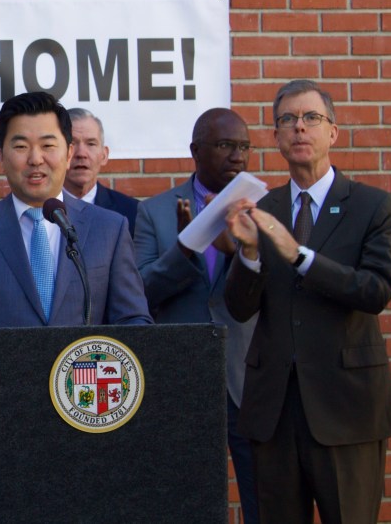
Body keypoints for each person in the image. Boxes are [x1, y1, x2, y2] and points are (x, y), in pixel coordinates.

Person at [223, 80, 391, 524]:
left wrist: (299, 255)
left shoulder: (372, 206)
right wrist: (249, 253)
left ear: (333, 132)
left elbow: (375, 291)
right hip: (275, 410)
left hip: (346, 409)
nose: (299, 127)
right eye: (287, 120)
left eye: (311, 118)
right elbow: (239, 309)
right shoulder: (262, 208)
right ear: (276, 136)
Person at [0, 91, 153, 412]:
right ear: (1, 156)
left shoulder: (109, 228)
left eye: (48, 145)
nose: (35, 159)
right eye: (20, 146)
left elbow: (133, 320)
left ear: (68, 153)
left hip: (87, 407)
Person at [134, 107, 260, 524]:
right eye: (225, 145)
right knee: (184, 497)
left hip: (246, 375)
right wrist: (187, 246)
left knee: (261, 495)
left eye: (244, 147)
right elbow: (141, 291)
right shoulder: (154, 211)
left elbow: (271, 291)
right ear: (196, 150)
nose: (238, 156)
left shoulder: (263, 210)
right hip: (180, 373)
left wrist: (243, 252)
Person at [64, 107, 139, 235]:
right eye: (72, 143)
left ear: (104, 155)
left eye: (91, 144)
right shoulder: (38, 209)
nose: (81, 153)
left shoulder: (132, 212)